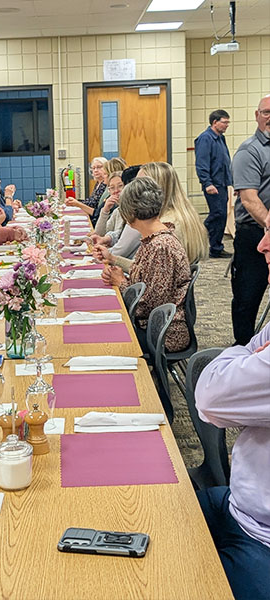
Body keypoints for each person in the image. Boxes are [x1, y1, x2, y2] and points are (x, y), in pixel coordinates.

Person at [195, 208, 270, 600]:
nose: (262, 245)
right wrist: (247, 353)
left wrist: (244, 354)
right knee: (143, 507)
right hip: (241, 503)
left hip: (260, 535)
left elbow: (210, 398)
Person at [101, 177, 191, 353]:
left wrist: (121, 282)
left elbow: (148, 306)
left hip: (162, 332)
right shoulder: (153, 239)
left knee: (100, 340)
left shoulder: (160, 246)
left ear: (130, 212)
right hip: (153, 325)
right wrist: (120, 273)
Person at [231, 94, 270, 345]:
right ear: (257, 116)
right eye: (267, 112)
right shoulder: (250, 151)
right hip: (255, 235)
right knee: (247, 298)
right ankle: (243, 349)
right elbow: (249, 199)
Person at [195, 109, 233, 258]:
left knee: (221, 216)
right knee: (218, 214)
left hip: (222, 183)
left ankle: (215, 248)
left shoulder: (220, 138)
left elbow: (225, 161)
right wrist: (207, 183)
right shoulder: (205, 139)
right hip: (213, 184)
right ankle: (198, 235)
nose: (227, 125)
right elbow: (201, 163)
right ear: (215, 122)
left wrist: (231, 183)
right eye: (224, 122)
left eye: (228, 122)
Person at [93, 171, 124, 237]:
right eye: (112, 188)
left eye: (120, 186)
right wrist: (105, 210)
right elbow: (99, 234)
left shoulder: (132, 212)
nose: (116, 191)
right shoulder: (117, 211)